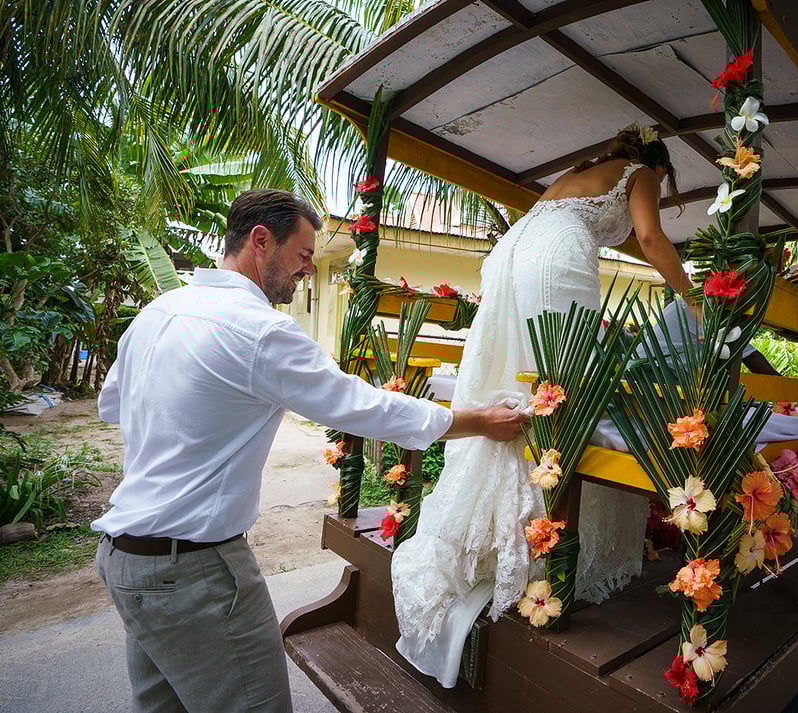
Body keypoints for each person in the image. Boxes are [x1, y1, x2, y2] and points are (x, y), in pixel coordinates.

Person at [92, 189, 528, 713]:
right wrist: (479, 421)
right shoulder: (259, 331)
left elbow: (112, 404)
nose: (306, 272)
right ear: (260, 241)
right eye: (302, 257)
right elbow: (363, 408)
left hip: (125, 560)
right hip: (194, 573)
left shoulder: (158, 313)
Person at [391, 125, 695, 687]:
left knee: (516, 375)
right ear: (655, 162)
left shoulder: (576, 175)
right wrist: (692, 297)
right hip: (556, 255)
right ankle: (539, 536)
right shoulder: (642, 175)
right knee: (560, 387)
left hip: (512, 250)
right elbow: (650, 240)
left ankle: (493, 538)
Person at [637, 295, 781, 376]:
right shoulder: (701, 308)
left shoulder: (699, 301)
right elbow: (751, 358)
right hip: (653, 372)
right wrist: (787, 391)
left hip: (654, 370)